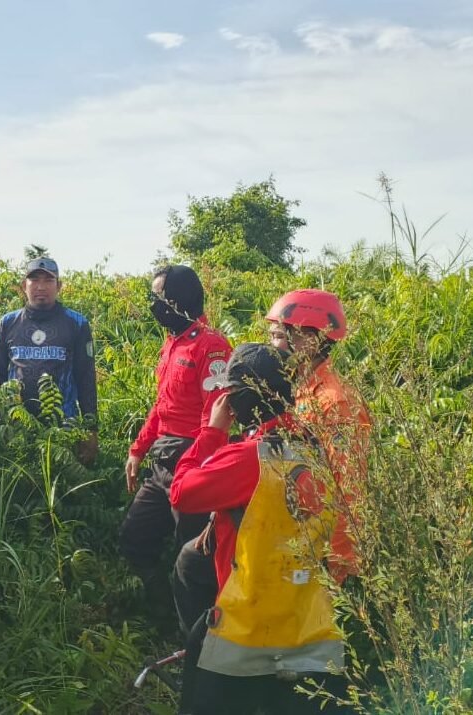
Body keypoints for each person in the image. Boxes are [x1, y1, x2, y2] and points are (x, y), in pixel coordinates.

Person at [170, 343, 350, 715]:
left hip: (246, 635)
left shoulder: (246, 459)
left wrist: (212, 432)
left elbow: (181, 494)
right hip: (314, 636)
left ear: (235, 400)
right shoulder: (319, 450)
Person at [118, 265, 231, 637]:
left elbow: (214, 418)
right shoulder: (173, 342)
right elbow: (163, 406)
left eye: (160, 297)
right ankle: (162, 617)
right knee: (135, 536)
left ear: (179, 300)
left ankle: (195, 642)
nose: (154, 305)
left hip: (194, 462)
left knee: (192, 559)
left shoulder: (210, 346)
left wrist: (195, 467)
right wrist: (138, 449)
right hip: (162, 465)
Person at [265, 289, 371, 583]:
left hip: (323, 549)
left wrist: (338, 560)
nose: (272, 345)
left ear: (309, 340)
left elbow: (348, 485)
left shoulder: (336, 402)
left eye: (277, 336)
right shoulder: (298, 386)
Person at [0, 257, 98, 459]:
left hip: (63, 430)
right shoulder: (8, 323)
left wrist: (91, 429)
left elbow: (86, 379)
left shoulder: (77, 323)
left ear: (59, 286)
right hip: (15, 430)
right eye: (34, 280)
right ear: (24, 286)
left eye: (48, 280)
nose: (41, 287)